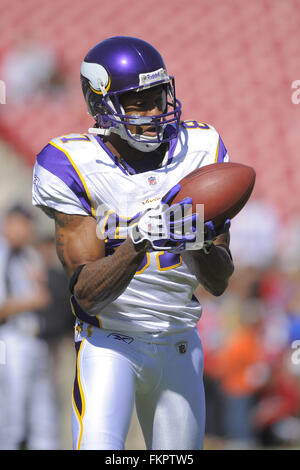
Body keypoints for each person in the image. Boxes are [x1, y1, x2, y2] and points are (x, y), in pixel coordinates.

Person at [32, 36, 234, 450]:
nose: (154, 113)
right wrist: (140, 238)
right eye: (137, 103)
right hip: (110, 344)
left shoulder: (200, 148)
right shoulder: (72, 164)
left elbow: (219, 281)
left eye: (158, 97)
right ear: (101, 104)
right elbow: (85, 296)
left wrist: (196, 241)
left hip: (179, 339)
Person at [0, 204, 58, 449]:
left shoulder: (28, 255)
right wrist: (33, 301)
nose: (27, 229)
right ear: (9, 223)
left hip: (36, 340)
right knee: (10, 414)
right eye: (22, 223)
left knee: (44, 414)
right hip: (8, 340)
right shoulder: (3, 253)